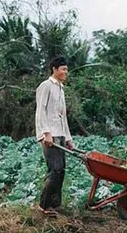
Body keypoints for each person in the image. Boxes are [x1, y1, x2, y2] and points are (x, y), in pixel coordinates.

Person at [35, 56, 73, 216]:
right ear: (54, 69)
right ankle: (44, 206)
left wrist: (69, 138)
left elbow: (63, 116)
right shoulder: (46, 86)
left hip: (60, 134)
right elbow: (40, 111)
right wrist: (46, 133)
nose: (66, 72)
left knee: (61, 170)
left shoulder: (60, 88)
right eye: (63, 69)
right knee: (54, 170)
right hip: (49, 135)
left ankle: (55, 205)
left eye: (66, 69)